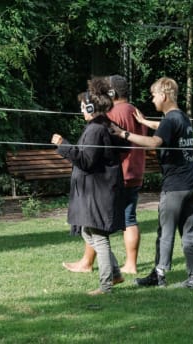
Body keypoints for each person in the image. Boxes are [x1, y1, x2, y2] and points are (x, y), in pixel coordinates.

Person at [110, 76, 193, 290]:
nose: (152, 100)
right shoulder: (181, 118)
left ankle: (159, 275)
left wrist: (124, 133)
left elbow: (155, 141)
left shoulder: (171, 120)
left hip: (176, 186)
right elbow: (162, 127)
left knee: (165, 231)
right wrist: (144, 123)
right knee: (189, 233)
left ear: (163, 95)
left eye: (153, 95)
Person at [61, 75, 147, 275]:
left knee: (96, 224)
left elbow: (100, 146)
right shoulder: (135, 110)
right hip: (136, 170)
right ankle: (129, 264)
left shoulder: (113, 113)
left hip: (117, 175)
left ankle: (91, 264)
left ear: (111, 93)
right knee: (129, 219)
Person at [51, 77, 127, 295]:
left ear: (92, 107)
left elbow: (86, 160)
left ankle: (106, 285)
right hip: (97, 190)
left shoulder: (96, 129)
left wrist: (63, 145)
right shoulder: (101, 126)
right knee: (87, 231)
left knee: (98, 236)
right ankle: (114, 273)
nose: (81, 110)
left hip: (98, 191)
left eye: (83, 106)